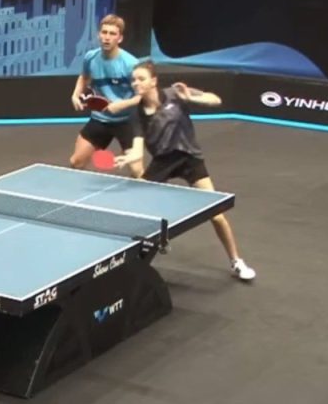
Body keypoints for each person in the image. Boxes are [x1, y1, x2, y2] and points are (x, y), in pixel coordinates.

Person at [108, 61, 257, 281]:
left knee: (216, 215)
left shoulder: (175, 93)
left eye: (141, 79)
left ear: (153, 81)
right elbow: (138, 149)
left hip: (189, 158)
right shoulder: (137, 115)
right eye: (133, 80)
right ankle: (136, 259)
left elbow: (215, 99)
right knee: (137, 207)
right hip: (162, 161)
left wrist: (192, 98)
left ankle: (236, 261)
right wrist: (129, 157)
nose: (136, 83)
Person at [69, 14, 142, 175]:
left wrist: (122, 104)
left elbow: (142, 96)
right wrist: (75, 95)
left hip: (126, 121)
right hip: (101, 119)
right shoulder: (90, 58)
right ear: (99, 35)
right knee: (76, 162)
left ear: (120, 38)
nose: (107, 37)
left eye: (112, 34)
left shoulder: (131, 64)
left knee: (137, 171)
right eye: (104, 32)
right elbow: (84, 77)